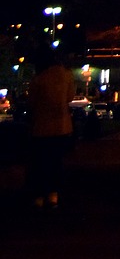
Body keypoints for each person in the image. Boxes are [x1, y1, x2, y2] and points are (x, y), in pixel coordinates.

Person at [26, 44, 75, 209]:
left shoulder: (39, 78)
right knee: (56, 161)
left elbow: (31, 103)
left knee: (40, 162)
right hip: (61, 126)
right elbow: (69, 97)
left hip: (41, 126)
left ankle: (39, 194)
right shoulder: (67, 75)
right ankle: (53, 194)